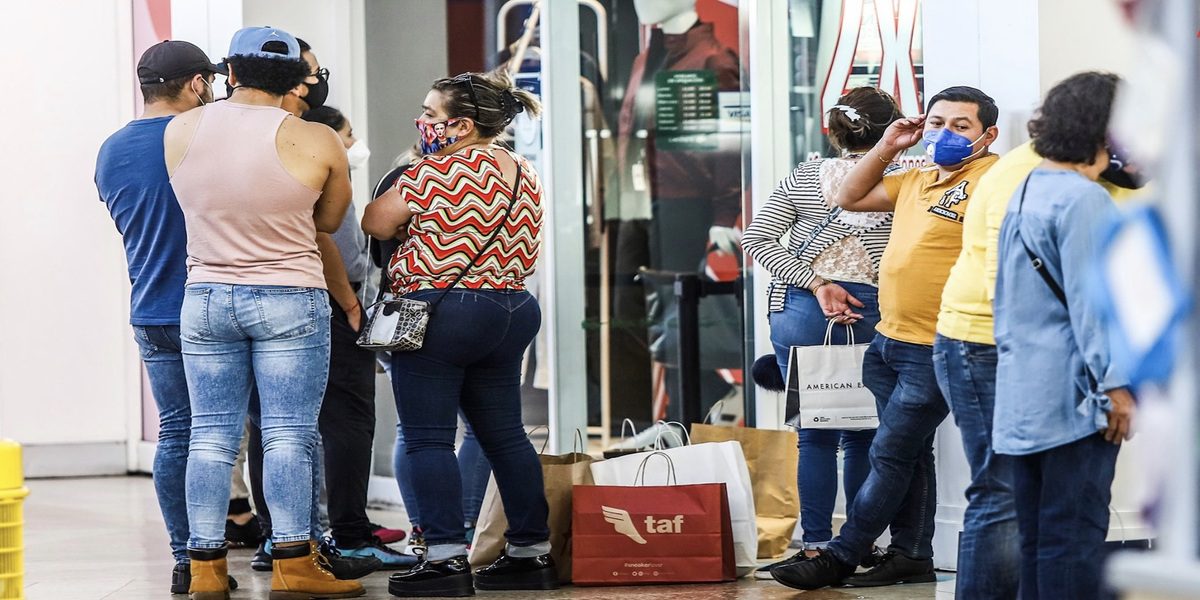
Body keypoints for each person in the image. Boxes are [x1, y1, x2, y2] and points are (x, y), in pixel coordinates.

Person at [772, 86, 1001, 590]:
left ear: (987, 136)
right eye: (936, 123)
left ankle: (841, 554)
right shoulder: (917, 177)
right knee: (911, 452)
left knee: (889, 451)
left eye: (960, 126)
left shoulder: (992, 180)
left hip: (939, 345)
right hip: (888, 341)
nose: (944, 133)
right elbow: (849, 197)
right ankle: (912, 553)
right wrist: (889, 145)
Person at [163, 26, 363, 599]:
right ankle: (293, 564)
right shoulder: (318, 141)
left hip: (206, 296)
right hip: (289, 295)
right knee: (288, 435)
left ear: (230, 72)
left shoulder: (181, 130)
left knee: (209, 436)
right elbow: (328, 222)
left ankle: (205, 569)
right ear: (299, 81)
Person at [362, 70, 556, 597]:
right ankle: (531, 553)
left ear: (462, 125)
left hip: (442, 312)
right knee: (505, 435)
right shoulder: (523, 169)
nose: (422, 121)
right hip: (511, 307)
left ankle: (445, 559)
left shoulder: (433, 170)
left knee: (428, 438)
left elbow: (376, 222)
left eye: (431, 114)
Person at [94, 40, 239, 597]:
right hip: (209, 305)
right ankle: (283, 548)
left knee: (177, 432)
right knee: (255, 430)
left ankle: (188, 560)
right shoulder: (200, 136)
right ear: (198, 84)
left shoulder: (111, 148)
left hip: (150, 308)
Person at [742, 86, 904, 578]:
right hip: (879, 308)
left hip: (803, 308)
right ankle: (857, 545)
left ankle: (815, 545)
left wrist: (816, 283)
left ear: (833, 131)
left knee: (813, 434)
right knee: (865, 432)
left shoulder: (805, 177)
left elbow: (757, 239)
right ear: (893, 132)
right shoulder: (906, 180)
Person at [243, 39, 383, 581]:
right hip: (314, 295)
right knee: (329, 420)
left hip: (230, 294)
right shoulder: (310, 142)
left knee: (261, 426)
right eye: (308, 72)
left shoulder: (220, 140)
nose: (313, 81)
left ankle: (272, 538)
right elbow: (328, 234)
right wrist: (349, 302)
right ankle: (336, 535)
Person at [992, 71, 1135, 600]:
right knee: (1073, 540)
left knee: (1038, 538)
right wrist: (1116, 386)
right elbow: (1092, 306)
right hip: (1075, 398)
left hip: (1024, 394)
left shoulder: (1028, 187)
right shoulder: (1084, 200)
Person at [298, 104, 414, 570]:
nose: (353, 143)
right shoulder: (329, 166)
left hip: (278, 300)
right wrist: (351, 305)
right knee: (350, 419)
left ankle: (286, 537)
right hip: (334, 301)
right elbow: (339, 248)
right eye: (348, 134)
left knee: (280, 426)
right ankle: (350, 535)